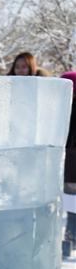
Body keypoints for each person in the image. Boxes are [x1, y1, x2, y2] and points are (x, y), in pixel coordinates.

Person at [62, 71, 76, 257]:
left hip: (73, 162)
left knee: (72, 200)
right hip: (69, 164)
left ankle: (70, 238)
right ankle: (70, 238)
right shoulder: (61, 108)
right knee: (71, 202)